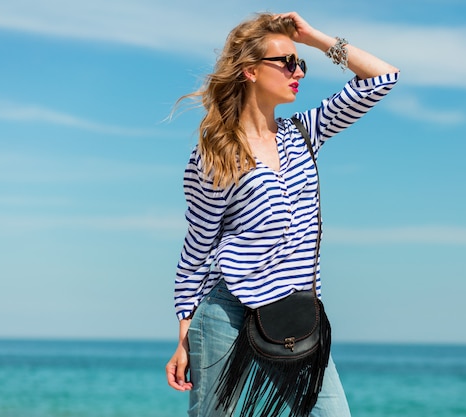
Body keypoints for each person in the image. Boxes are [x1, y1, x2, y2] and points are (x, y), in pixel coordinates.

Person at [165, 11, 399, 417]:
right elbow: (197, 248)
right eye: (287, 62)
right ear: (250, 71)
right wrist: (183, 334)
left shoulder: (307, 132)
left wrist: (313, 38)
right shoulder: (216, 155)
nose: (299, 71)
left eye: (300, 63)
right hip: (228, 311)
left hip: (296, 314)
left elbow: (383, 78)